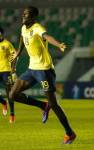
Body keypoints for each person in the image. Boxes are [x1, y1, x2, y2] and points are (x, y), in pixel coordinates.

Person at [10, 6, 76, 144]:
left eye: (27, 14)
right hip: (31, 69)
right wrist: (18, 52)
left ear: (33, 17)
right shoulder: (23, 28)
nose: (23, 16)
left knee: (54, 103)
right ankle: (42, 105)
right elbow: (23, 39)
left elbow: (47, 37)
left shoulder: (37, 28)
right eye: (23, 14)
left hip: (44, 70)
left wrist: (58, 45)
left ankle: (70, 133)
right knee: (12, 94)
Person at [0, 27, 16, 123]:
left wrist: (13, 69)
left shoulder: (7, 44)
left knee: (9, 93)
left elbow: (14, 56)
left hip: (6, 71)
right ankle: (3, 102)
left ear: (2, 34)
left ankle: (12, 114)